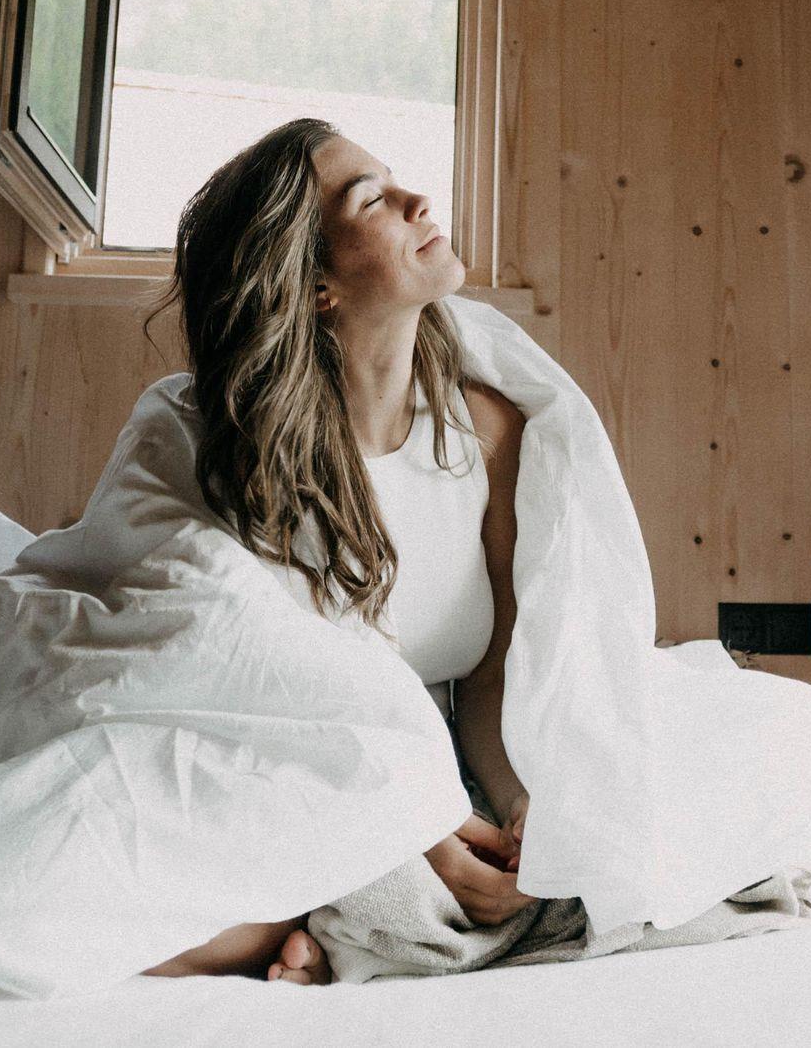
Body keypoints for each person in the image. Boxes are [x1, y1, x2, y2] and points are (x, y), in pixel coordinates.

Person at [133, 117, 535, 985]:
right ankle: (340, 912)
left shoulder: (488, 433)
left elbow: (490, 680)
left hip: (433, 765)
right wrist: (418, 827)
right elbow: (246, 682)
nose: (418, 201)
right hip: (274, 754)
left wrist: (516, 807)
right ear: (316, 284)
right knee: (156, 916)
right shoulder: (221, 443)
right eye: (372, 200)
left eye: (396, 181)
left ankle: (338, 920)